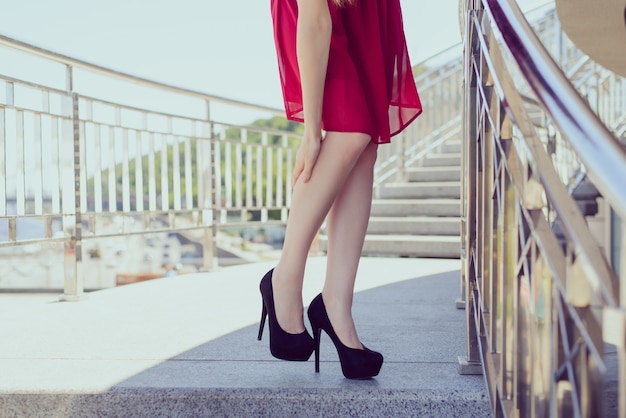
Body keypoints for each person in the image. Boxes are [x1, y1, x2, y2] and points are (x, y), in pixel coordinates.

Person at [258, 0, 422, 379]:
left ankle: (337, 304)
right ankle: (284, 279)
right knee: (350, 135)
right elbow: (314, 20)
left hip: (365, 11)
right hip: (320, 15)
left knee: (364, 150)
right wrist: (311, 131)